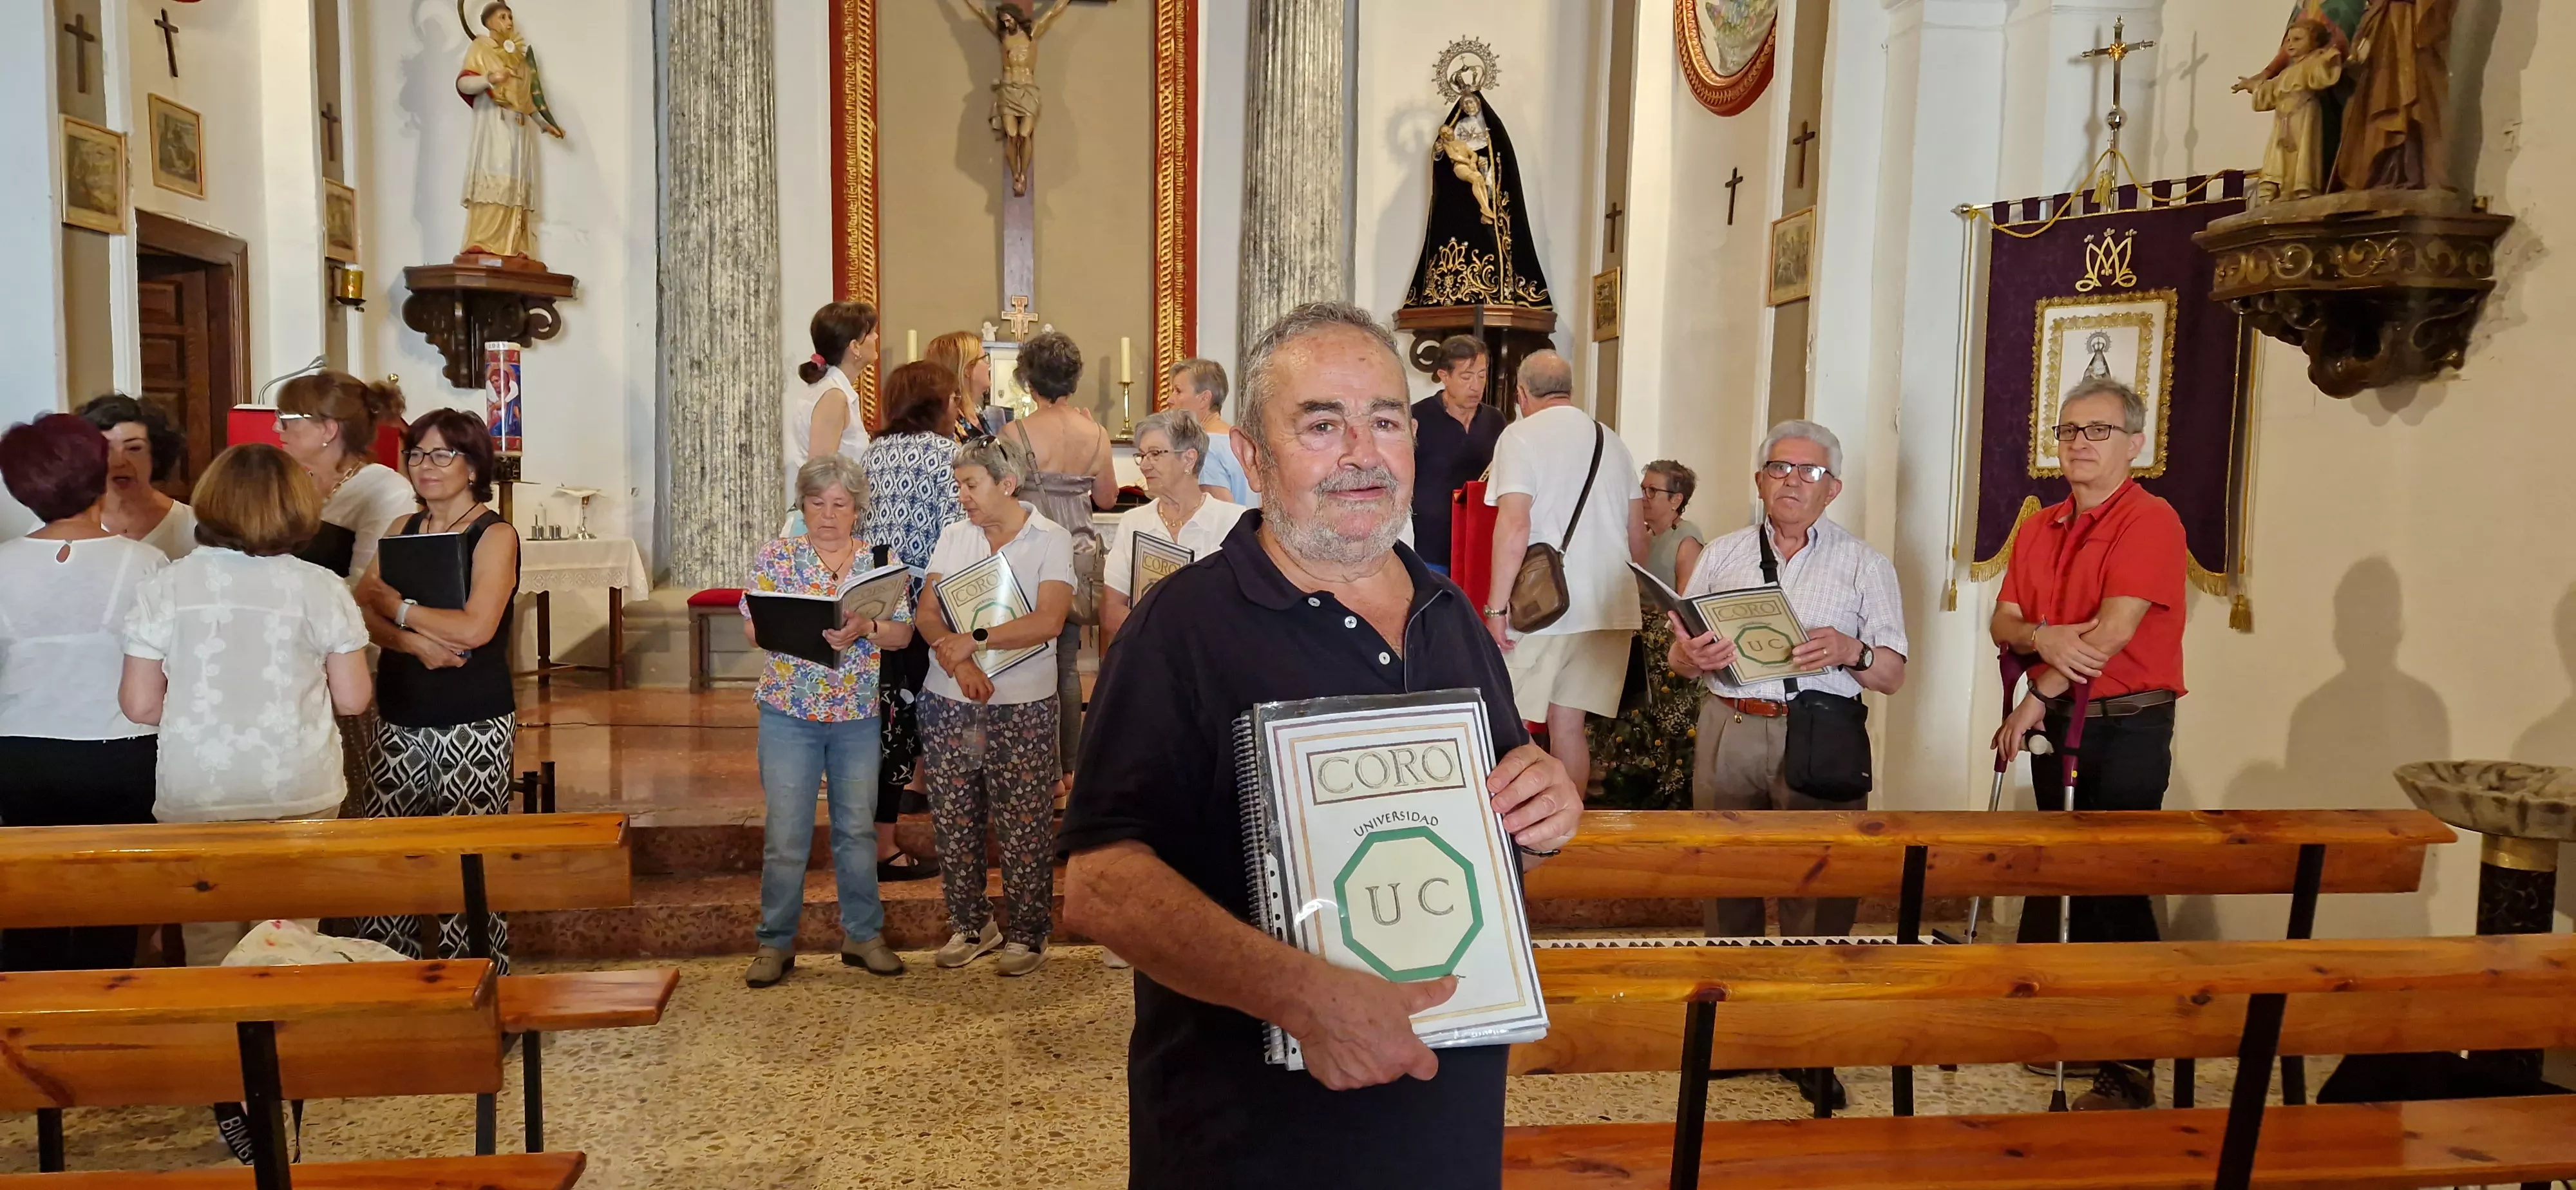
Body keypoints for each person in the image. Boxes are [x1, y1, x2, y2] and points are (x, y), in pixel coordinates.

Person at [1061, 302, 1583, 1188]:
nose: (1361, 452)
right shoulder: (1181, 629)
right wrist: (1300, 995)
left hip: (1442, 1127)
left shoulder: (1448, 615)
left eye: (1385, 420)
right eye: (1321, 425)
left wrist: (1544, 813)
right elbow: (1100, 885)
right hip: (1251, 1143)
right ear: (1256, 461)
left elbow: (1488, 846)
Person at [1989, 377, 2188, 1111]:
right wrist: (2043, 640)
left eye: (2097, 431)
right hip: (2060, 725)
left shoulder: (2151, 521)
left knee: (2117, 887)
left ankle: (2131, 1062)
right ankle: (2074, 1028)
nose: (2078, 443)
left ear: (2135, 444)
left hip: (2128, 723)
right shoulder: (2039, 526)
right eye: (2070, 430)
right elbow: (2003, 622)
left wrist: (2033, 693)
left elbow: (2112, 633)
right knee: (2066, 876)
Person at [120, 444, 374, 966]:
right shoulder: (320, 587)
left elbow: (140, 705)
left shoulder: (166, 584)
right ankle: (286, 1043)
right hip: (297, 785)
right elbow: (353, 700)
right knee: (291, 943)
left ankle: (221, 1044)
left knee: (209, 942)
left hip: (198, 789)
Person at [1672, 422, 1908, 938]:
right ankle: (1730, 998)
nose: (1792, 481)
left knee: (1820, 880)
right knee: (1725, 877)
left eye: (1810, 471)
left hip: (1820, 732)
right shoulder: (1721, 555)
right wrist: (1691, 655)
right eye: (1779, 468)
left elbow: (1891, 675)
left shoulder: (1865, 564)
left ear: (1833, 488)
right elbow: (1679, 658)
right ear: (1761, 481)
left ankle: (1810, 999)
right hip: (1728, 726)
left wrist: (1852, 649)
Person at [345, 411, 524, 968]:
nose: (426, 466)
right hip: (401, 709)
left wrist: (398, 608)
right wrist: (413, 644)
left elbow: (476, 628)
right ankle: (390, 988)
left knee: (465, 866)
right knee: (387, 861)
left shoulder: (494, 534)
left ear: (473, 466)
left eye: (443, 454)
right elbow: (360, 608)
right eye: (417, 455)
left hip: (473, 716)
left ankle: (476, 988)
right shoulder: (401, 528)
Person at [736, 455, 916, 987]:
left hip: (856, 713)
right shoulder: (778, 556)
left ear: (858, 508)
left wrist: (866, 626)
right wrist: (792, 628)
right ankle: (775, 942)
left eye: (840, 504)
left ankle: (863, 935)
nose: (829, 514)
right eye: (817, 503)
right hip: (789, 710)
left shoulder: (880, 560)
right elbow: (752, 629)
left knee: (857, 830)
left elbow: (903, 635)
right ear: (803, 505)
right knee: (787, 833)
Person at [0, 415, 167, 972]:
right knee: (112, 914)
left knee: (27, 916)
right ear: (100, 475)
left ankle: (35, 1042)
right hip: (120, 750)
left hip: (18, 752)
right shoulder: (146, 562)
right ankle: (110, 1043)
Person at [916, 437, 1075, 977]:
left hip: (1023, 703)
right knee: (955, 818)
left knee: (1025, 819)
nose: (961, 496)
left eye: (971, 485)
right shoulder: (954, 536)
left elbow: (1049, 620)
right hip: (949, 699)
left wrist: (976, 639)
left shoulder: (1050, 540)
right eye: (957, 485)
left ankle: (1029, 934)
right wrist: (960, 666)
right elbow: (928, 614)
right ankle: (971, 924)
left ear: (1006, 484)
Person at [1481, 349, 1645, 788]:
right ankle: (1570, 840)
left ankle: (1527, 835)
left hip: (1544, 607)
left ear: (1521, 394)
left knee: (1508, 723)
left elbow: (1515, 525)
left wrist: (1497, 611)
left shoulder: (1520, 437)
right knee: (1568, 725)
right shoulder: (1612, 440)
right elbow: (1638, 538)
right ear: (1570, 389)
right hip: (1608, 607)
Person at [858, 361, 969, 884]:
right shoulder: (948, 455)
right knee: (926, 705)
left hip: (877, 598)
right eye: (954, 398)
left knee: (891, 712)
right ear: (940, 402)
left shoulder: (872, 452)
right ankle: (894, 836)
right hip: (929, 599)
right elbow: (960, 530)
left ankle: (907, 793)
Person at [999, 330, 1112, 793]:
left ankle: (1035, 769)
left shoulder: (1014, 433)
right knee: (1067, 666)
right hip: (1080, 555)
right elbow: (1104, 497)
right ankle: (1068, 772)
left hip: (1032, 555)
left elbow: (1003, 498)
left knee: (1027, 662)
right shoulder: (1097, 431)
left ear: (1029, 382)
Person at [1587, 460, 1706, 811]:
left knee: (1667, 731)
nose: (1644, 497)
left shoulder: (1686, 540)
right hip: (1633, 639)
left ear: (1676, 500)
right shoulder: (1640, 536)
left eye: (1653, 491)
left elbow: (1689, 602)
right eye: (1643, 489)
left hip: (1667, 650)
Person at [1100, 410, 1248, 644]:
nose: (1144, 465)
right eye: (1142, 455)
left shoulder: (1234, 522)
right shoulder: (1134, 523)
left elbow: (1247, 611)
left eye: (1155, 454)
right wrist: (1157, 646)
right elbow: (1112, 609)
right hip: (1147, 660)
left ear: (1189, 459)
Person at [275, 371, 413, 583]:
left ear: (328, 430)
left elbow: (366, 587)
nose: (276, 427)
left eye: (285, 419)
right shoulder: (286, 481)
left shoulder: (387, 490)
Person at [1408, 335, 1502, 574]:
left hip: (1481, 544)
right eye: (1466, 377)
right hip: (1431, 549)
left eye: (1482, 375)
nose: (1476, 386)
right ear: (1444, 376)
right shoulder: (1417, 418)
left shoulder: (1495, 420)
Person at [77, 394, 197, 560]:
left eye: (134, 449)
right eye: (106, 449)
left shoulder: (192, 527)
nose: (119, 462)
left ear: (156, 456)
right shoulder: (66, 526)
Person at [788, 301, 880, 509]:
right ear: (855, 347)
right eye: (871, 332)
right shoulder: (833, 396)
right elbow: (821, 475)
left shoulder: (832, 389)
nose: (876, 338)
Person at [1166, 357, 1253, 506]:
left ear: (1204, 399)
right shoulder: (1241, 440)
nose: (1170, 399)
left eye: (1178, 391)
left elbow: (1222, 519)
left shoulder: (1205, 449)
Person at [922, 330, 993, 440]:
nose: (989, 365)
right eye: (984, 358)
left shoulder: (976, 411)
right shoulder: (946, 424)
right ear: (968, 369)